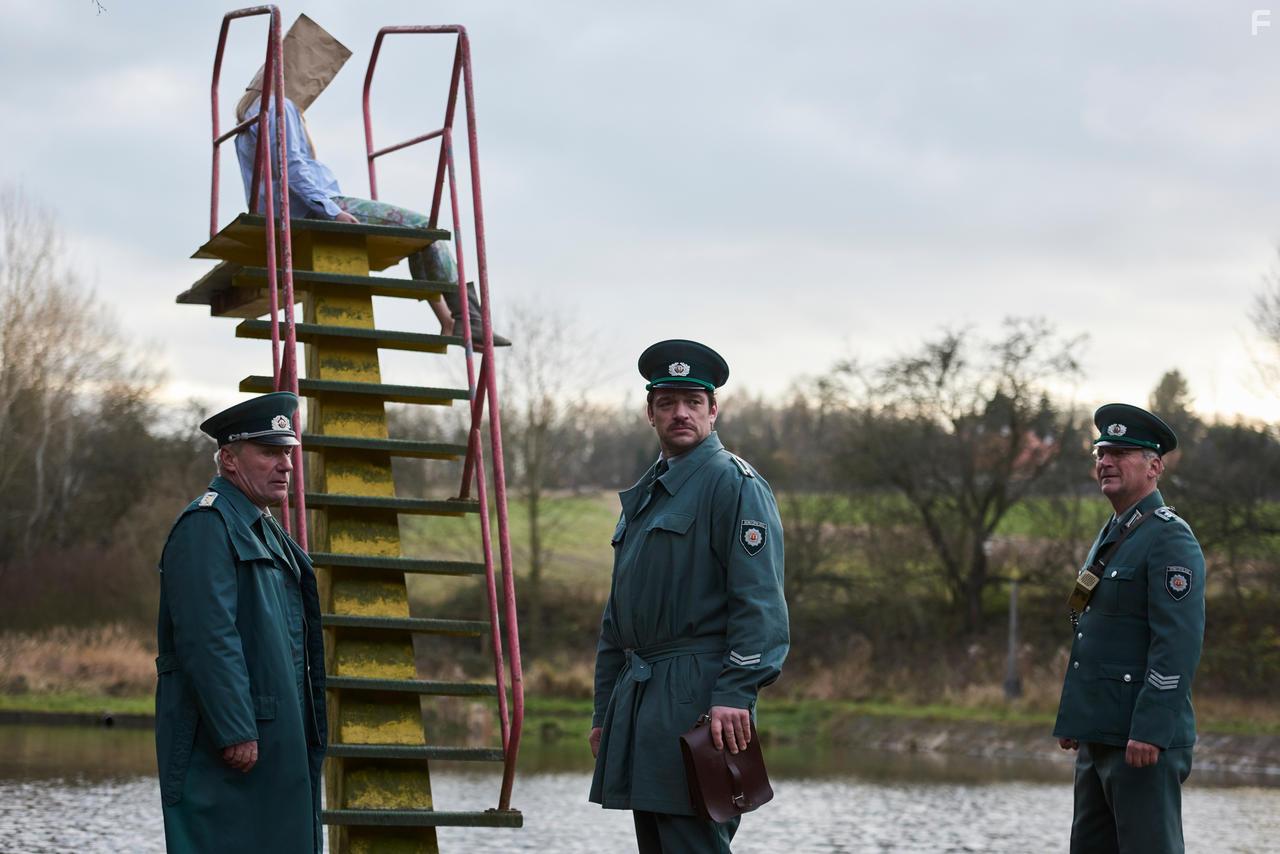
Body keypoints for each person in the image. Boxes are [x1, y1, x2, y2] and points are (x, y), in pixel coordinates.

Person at [589, 339, 790, 853]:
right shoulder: (646, 494)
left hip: (700, 700)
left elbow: (760, 604)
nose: (681, 413)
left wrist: (734, 694)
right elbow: (618, 621)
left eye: (693, 401)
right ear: (650, 413)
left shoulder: (733, 484)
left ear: (713, 409)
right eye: (667, 402)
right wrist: (603, 714)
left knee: (694, 843)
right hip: (641, 701)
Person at [232, 14, 506, 344]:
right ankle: (467, 318)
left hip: (287, 210)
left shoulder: (250, 113)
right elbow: (291, 167)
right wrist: (332, 211)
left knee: (415, 236)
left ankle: (453, 319)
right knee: (424, 226)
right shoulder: (279, 105)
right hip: (311, 209)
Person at [154, 392, 326, 853]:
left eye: (287, 452)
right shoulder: (206, 526)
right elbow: (207, 636)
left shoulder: (261, 526)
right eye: (269, 453)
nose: (286, 465)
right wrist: (235, 728)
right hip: (236, 749)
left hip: (275, 740)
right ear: (229, 459)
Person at [1053, 403, 1206, 854]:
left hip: (1141, 741)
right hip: (1100, 733)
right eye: (1101, 452)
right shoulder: (1115, 533)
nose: (1105, 462)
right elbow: (1094, 634)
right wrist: (1078, 717)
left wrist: (1152, 729)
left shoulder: (1168, 537)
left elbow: (1176, 642)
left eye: (1120, 453)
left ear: (1154, 466)